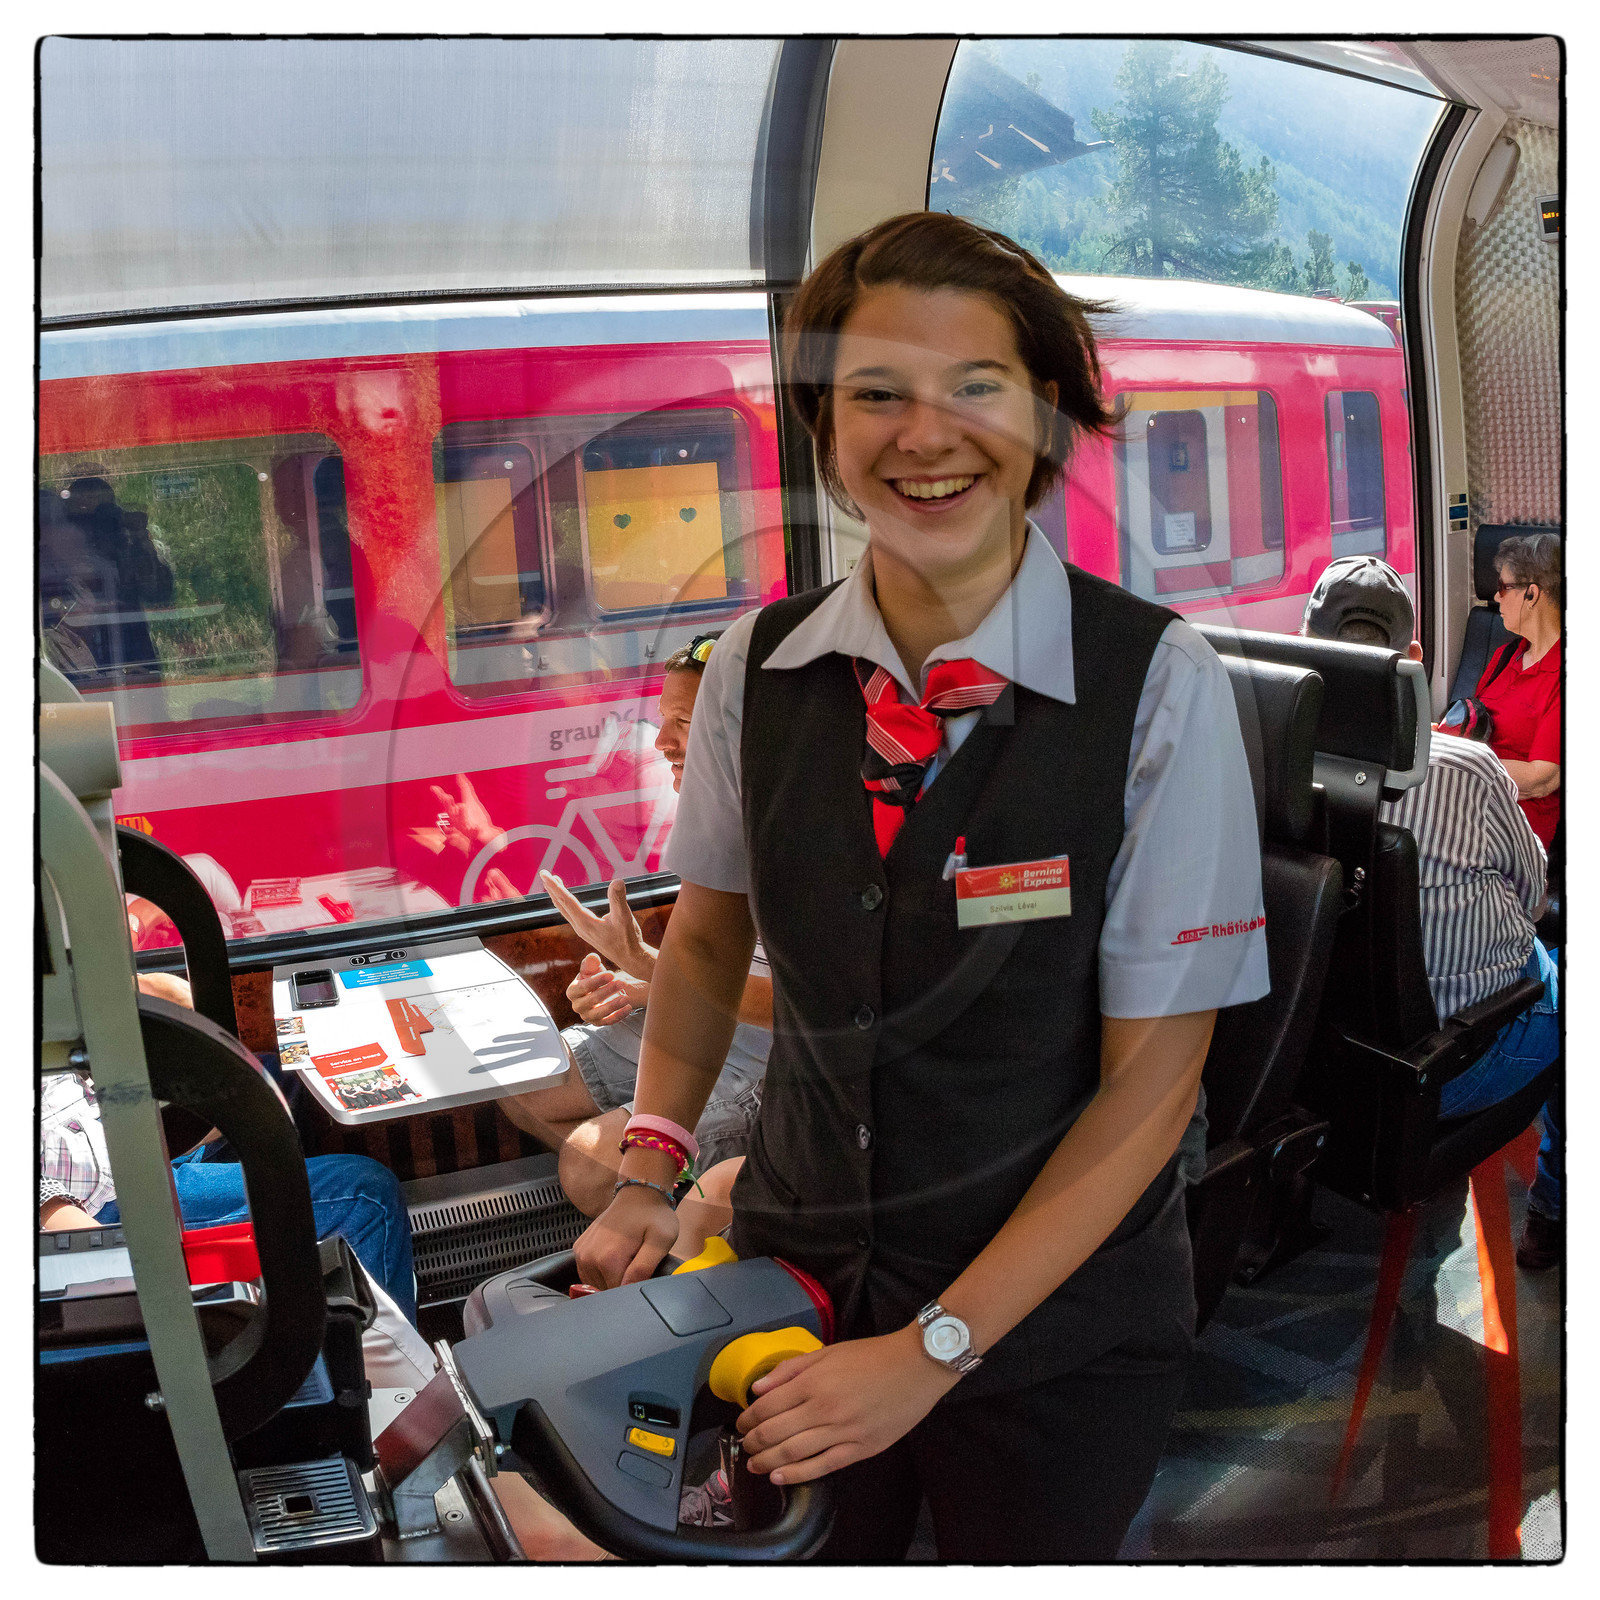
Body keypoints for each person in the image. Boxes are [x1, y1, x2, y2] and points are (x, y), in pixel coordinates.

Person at [572, 212, 1268, 1561]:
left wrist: (933, 1349)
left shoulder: (1156, 684)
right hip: (796, 1285)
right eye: (876, 394)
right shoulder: (755, 668)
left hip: (1056, 1332)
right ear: (825, 429)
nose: (924, 435)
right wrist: (654, 1158)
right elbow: (707, 937)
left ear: (1048, 414)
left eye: (976, 388)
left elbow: (1153, 1087)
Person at [1302, 556, 1561, 1270]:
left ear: (1300, 643)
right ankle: (1554, 1210)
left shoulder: (1264, 759)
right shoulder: (1468, 771)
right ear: (1414, 658)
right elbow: (1533, 896)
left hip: (1317, 1061)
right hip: (1449, 1065)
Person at [492, 636, 774, 1214]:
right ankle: (663, 1205)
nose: (661, 741)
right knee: (518, 1082)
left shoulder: (797, 837)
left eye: (683, 723)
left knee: (586, 1166)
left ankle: (669, 1215)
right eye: (661, 720)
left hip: (773, 1057)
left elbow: (804, 1007)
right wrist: (637, 984)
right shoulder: (720, 820)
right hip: (718, 1013)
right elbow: (714, 962)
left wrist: (646, 965)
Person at [41, 971, 420, 1322]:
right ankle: (389, 1358)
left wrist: (126, 980)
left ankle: (304, 1292)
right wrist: (120, 1260)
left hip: (111, 1132)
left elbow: (168, 996)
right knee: (368, 1195)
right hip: (107, 1201)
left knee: (278, 1077)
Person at [1475, 533, 1561, 853]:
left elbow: (1541, 779)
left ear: (1532, 594)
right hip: (1473, 809)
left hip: (1517, 832)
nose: (1496, 598)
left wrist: (1458, 763)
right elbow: (1474, 729)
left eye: (1503, 587)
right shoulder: (1505, 657)